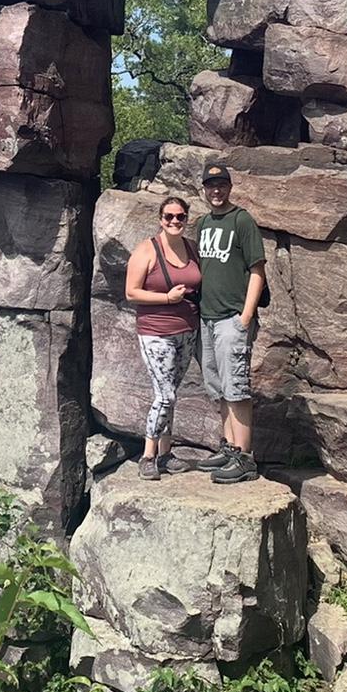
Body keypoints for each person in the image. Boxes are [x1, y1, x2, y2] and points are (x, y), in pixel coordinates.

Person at [194, 162, 265, 484]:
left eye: (222, 184)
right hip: (207, 318)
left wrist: (245, 317)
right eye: (211, 185)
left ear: (230, 187)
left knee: (236, 387)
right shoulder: (204, 222)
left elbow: (257, 271)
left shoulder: (242, 220)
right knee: (219, 387)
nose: (216, 190)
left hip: (231, 318)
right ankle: (229, 447)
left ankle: (245, 457)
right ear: (204, 189)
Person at [123, 196, 203, 481]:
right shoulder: (146, 250)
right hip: (156, 331)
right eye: (169, 216)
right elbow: (131, 292)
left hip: (187, 330)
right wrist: (167, 299)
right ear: (160, 219)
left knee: (172, 395)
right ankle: (148, 455)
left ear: (186, 219)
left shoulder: (191, 248)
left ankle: (166, 454)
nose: (174, 221)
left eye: (180, 217)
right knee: (165, 395)